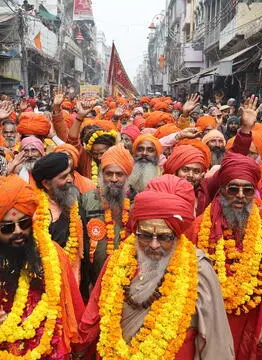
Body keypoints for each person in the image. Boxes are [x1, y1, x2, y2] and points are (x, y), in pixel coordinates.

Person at [76, 175, 235, 359]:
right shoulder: (119, 261)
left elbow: (216, 343)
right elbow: (94, 313)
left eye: (163, 237)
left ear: (176, 235)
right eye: (144, 235)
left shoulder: (198, 270)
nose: (153, 245)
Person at [0, 175, 84, 359]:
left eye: (24, 223)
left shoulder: (51, 254)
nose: (18, 231)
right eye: (8, 227)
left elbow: (74, 307)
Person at [192, 152, 262, 359]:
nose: (240, 195)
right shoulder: (198, 227)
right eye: (233, 188)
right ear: (221, 190)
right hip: (209, 320)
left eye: (247, 190)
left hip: (254, 318)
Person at [80, 144, 134, 298]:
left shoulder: (136, 202)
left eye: (119, 174)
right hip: (94, 280)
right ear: (102, 174)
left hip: (126, 280)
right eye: (109, 173)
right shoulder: (87, 199)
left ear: (127, 176)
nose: (114, 179)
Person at [31, 152, 84, 281]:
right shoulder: (34, 210)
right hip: (46, 280)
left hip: (73, 278)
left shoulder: (74, 201)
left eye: (70, 173)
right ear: (46, 184)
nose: (70, 179)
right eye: (64, 176)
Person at [163, 143, 210, 216]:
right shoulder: (162, 193)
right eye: (185, 170)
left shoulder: (204, 196)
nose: (190, 175)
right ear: (175, 171)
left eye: (196, 171)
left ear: (202, 175)